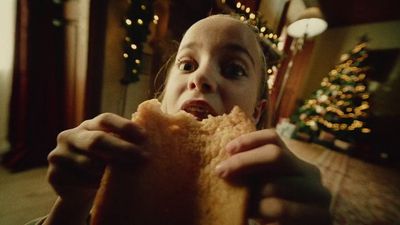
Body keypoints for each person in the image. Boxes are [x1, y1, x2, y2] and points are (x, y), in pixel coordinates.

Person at [28, 14, 331, 225]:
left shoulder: (265, 213)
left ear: (255, 111)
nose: (201, 77)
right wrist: (70, 206)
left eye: (234, 69)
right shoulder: (110, 191)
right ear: (162, 97)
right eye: (187, 64)